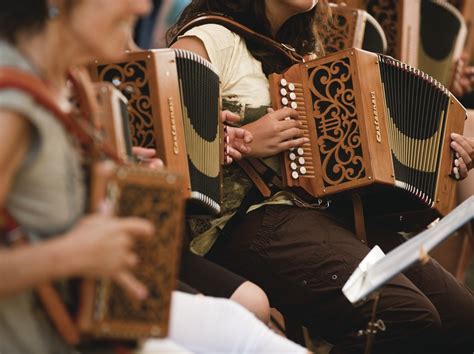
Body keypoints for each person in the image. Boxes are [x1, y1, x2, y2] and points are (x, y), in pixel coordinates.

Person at [0, 1, 309, 353]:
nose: (142, 6)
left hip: (95, 310)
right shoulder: (11, 103)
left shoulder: (66, 81)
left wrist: (124, 171)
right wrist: (73, 254)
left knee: (248, 333)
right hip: (49, 333)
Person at [170, 0, 474, 353]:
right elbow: (164, 148)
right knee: (400, 314)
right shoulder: (206, 41)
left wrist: (438, 160)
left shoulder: (306, 53)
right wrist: (249, 141)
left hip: (323, 216)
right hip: (242, 226)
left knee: (462, 318)